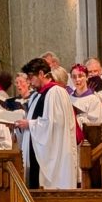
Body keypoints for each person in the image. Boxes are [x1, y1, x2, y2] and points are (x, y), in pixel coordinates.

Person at [15, 58, 77, 189]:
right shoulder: (38, 95)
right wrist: (21, 124)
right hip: (36, 151)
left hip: (54, 155)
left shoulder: (56, 92)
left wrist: (30, 124)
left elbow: (55, 124)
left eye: (31, 77)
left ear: (42, 74)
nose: (30, 82)